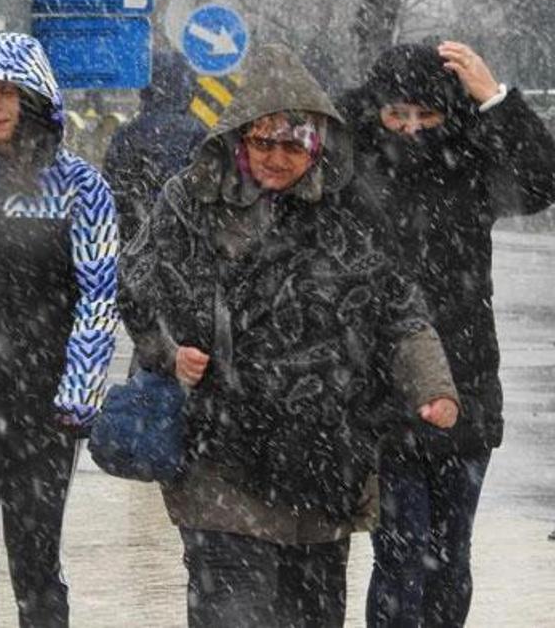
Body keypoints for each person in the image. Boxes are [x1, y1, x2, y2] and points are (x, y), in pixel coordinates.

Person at [118, 43, 461, 627]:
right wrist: (169, 352)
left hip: (323, 463)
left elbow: (398, 308)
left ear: (319, 143)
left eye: (294, 145)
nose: (277, 158)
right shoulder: (192, 199)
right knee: (233, 614)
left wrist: (433, 386)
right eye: (264, 142)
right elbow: (137, 285)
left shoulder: (349, 212)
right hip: (220, 457)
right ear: (240, 138)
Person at [337, 41, 555, 627]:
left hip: (466, 383)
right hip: (381, 390)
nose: (411, 129)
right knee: (400, 553)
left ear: (448, 114)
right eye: (397, 115)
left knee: (450, 554)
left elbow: (542, 182)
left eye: (426, 115)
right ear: (376, 111)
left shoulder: (471, 165)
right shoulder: (351, 166)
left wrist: (496, 100)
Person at [0, 32, 119, 628]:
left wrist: (78, 394)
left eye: (7, 92)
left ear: (33, 98)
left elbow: (98, 294)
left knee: (36, 563)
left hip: (45, 405)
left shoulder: (81, 188)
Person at [103, 50, 206, 243]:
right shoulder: (198, 133)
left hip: (133, 235)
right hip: (180, 235)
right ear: (188, 89)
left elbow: (111, 188)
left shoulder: (127, 133)